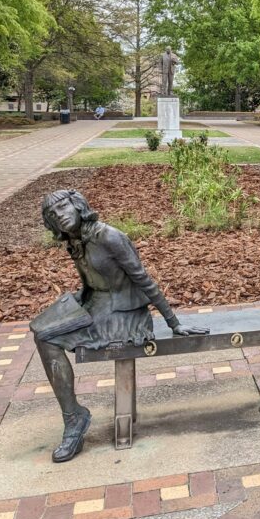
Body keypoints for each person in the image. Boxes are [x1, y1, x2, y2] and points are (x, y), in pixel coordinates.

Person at [31, 190, 207, 462]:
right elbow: (91, 278)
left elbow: (143, 279)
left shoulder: (110, 236)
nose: (61, 216)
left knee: (47, 338)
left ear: (78, 205)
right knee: (40, 332)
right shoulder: (75, 240)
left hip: (123, 314)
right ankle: (74, 415)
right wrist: (80, 295)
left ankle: (74, 419)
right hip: (95, 303)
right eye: (53, 215)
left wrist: (174, 322)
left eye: (64, 207)